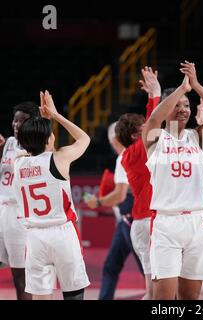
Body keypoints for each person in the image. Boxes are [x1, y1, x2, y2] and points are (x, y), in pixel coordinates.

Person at [142, 61, 203, 300]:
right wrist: (181, 89)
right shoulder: (154, 137)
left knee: (191, 298)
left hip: (198, 222)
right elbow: (154, 118)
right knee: (163, 298)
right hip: (166, 223)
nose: (183, 109)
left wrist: (197, 85)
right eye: (178, 105)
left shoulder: (197, 136)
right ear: (166, 106)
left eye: (186, 105)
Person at [12, 91, 90, 300]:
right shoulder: (60, 158)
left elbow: (36, 149)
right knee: (73, 294)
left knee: (40, 296)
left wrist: (43, 123)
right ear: (48, 138)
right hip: (62, 234)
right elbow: (84, 138)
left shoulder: (18, 162)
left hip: (35, 237)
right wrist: (55, 115)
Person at [84, 122, 144, 300]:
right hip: (127, 221)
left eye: (113, 142)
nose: (113, 146)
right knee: (111, 265)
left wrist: (98, 201)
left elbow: (119, 195)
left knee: (148, 270)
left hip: (132, 220)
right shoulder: (140, 154)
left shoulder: (124, 157)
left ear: (116, 139)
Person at [116, 66, 161, 300]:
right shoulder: (133, 153)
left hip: (145, 221)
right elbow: (153, 125)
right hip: (146, 222)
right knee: (156, 293)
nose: (149, 128)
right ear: (135, 136)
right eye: (143, 128)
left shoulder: (132, 154)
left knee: (154, 290)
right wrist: (154, 96)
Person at [0, 102, 39, 300]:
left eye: (21, 121)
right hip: (1, 211)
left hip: (19, 216)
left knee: (20, 276)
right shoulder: (7, 143)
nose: (16, 124)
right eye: (14, 120)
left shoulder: (37, 148)